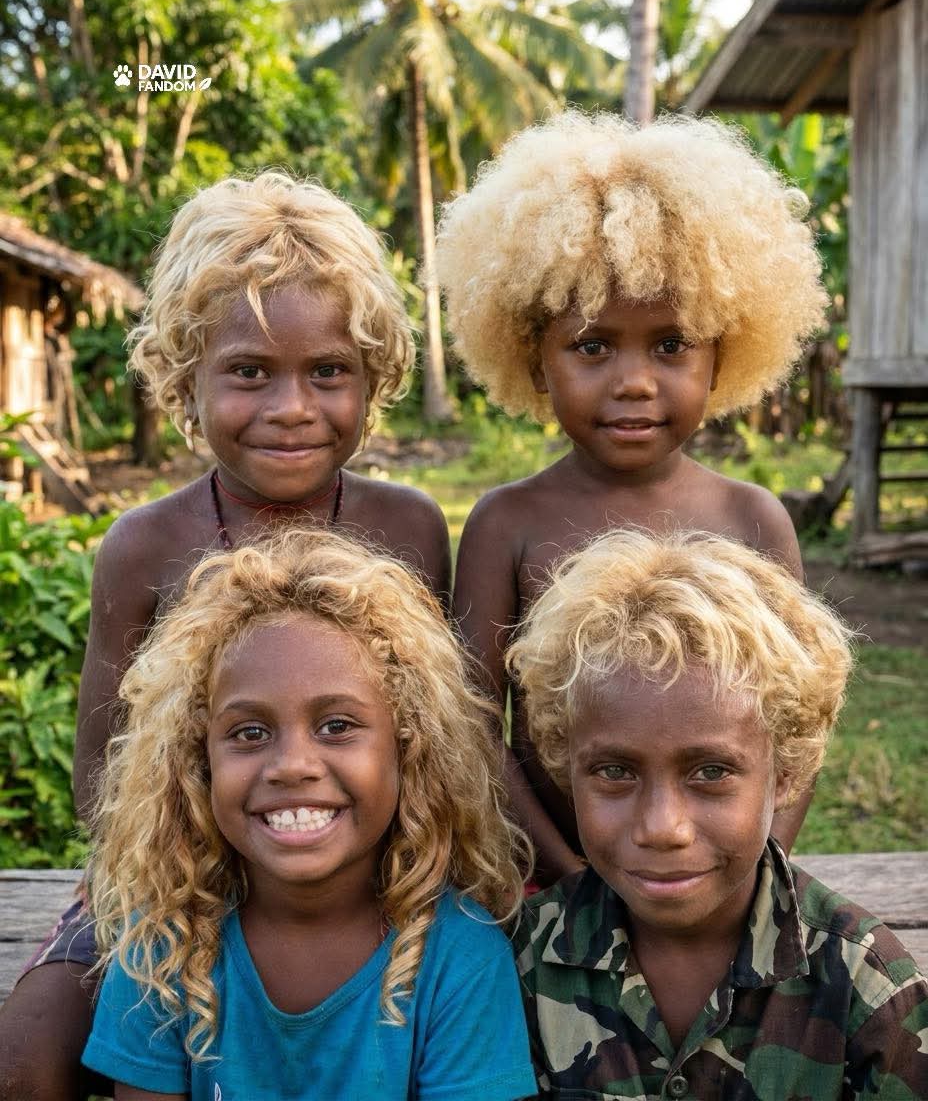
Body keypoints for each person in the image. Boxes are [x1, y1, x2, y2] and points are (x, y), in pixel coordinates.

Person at [0, 171, 450, 1101]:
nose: (291, 406)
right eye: (249, 371)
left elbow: (439, 737)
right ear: (184, 375)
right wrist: (160, 884)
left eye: (328, 371)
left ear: (376, 377)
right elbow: (104, 760)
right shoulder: (145, 546)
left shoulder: (406, 531)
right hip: (173, 874)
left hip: (360, 871)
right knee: (28, 1053)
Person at [437, 111, 828, 886]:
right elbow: (471, 732)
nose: (635, 380)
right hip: (551, 893)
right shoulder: (507, 525)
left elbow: (800, 726)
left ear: (727, 353)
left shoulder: (753, 521)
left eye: (672, 345)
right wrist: (568, 877)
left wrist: (762, 867)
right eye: (592, 347)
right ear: (534, 360)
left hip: (718, 883)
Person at [79, 529, 535, 1100]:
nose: (292, 765)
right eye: (250, 732)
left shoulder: (459, 957)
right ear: (198, 762)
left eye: (337, 726)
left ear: (409, 747)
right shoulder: (163, 947)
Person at [507, 529, 928, 1099]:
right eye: (615, 772)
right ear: (566, 763)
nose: (662, 827)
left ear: (786, 773)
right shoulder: (518, 965)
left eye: (710, 772)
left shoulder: (869, 992)